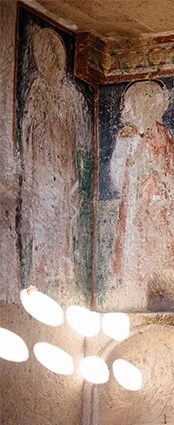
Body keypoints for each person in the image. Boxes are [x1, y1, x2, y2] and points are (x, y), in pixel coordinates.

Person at [19, 27, 87, 288]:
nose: (51, 65)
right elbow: (29, 127)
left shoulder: (66, 94)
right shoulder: (36, 90)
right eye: (46, 59)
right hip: (43, 167)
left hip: (61, 164)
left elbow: (71, 131)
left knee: (61, 217)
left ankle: (61, 272)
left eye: (55, 60)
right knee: (44, 216)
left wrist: (58, 123)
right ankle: (41, 273)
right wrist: (44, 119)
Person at [111, 80, 174, 281]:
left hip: (154, 197)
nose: (145, 107)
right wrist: (128, 153)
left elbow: (171, 167)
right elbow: (117, 170)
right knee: (132, 234)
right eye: (141, 102)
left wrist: (157, 177)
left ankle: (158, 275)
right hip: (133, 197)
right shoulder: (126, 135)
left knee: (155, 235)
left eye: (150, 102)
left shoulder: (163, 133)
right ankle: (131, 277)